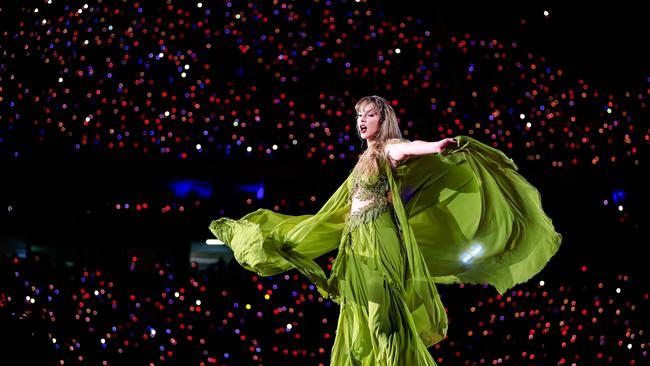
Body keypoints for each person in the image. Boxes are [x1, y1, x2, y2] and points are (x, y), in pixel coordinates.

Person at [210, 95, 562, 365]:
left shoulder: (388, 149)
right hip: (355, 240)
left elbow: (410, 148)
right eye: (359, 116)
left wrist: (437, 146)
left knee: (382, 316)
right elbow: (342, 210)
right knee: (362, 309)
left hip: (379, 237)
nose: (362, 121)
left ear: (385, 119)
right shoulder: (362, 159)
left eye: (370, 115)